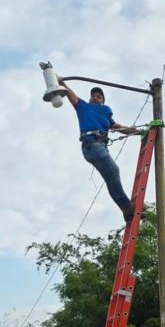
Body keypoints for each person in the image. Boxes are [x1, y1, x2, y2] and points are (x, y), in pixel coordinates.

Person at [59, 80, 141, 223]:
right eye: (93, 96)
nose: (95, 97)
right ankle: (127, 206)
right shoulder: (84, 107)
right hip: (91, 144)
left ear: (103, 101)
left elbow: (120, 128)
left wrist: (138, 132)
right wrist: (62, 83)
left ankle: (125, 209)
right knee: (114, 171)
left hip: (100, 147)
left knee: (111, 177)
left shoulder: (106, 115)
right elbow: (71, 95)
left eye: (99, 96)